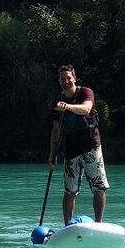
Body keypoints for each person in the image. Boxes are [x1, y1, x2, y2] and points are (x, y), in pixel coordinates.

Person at [48, 64, 109, 222]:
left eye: (69, 78)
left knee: (99, 187)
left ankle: (98, 224)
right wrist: (52, 155)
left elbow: (87, 109)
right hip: (71, 149)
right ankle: (68, 226)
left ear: (74, 78)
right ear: (59, 81)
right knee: (69, 191)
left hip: (91, 145)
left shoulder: (85, 92)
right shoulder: (57, 103)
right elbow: (55, 131)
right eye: (63, 79)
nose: (66, 81)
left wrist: (68, 106)